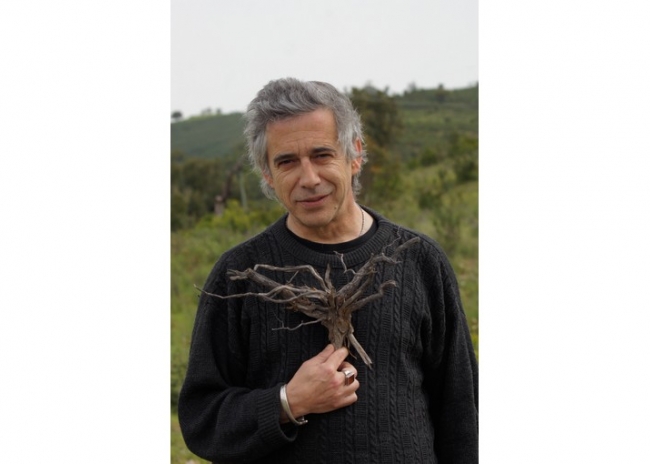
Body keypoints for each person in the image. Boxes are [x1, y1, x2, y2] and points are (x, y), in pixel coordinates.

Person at [178, 77, 478, 463]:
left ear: (354, 154)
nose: (309, 179)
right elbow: (202, 421)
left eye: (322, 155)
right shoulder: (240, 274)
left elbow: (462, 413)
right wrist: (288, 401)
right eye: (287, 162)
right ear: (267, 173)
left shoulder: (420, 261)